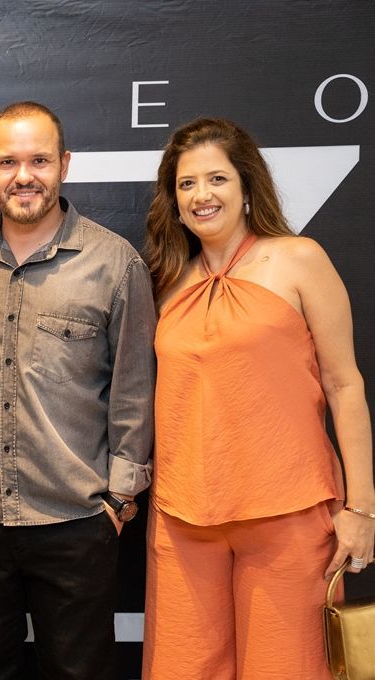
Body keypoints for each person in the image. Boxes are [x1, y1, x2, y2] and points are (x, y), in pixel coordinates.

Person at [141, 117, 375, 678]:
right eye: (186, 183)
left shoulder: (299, 260)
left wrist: (361, 508)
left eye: (216, 179)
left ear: (247, 186)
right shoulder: (165, 278)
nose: (202, 195)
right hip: (182, 517)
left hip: (289, 515)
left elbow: (346, 386)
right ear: (173, 201)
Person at [0, 101, 156, 679]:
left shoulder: (114, 263)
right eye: (8, 161)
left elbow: (134, 389)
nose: (23, 175)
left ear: (64, 164)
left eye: (39, 160)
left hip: (77, 520)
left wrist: (120, 499)